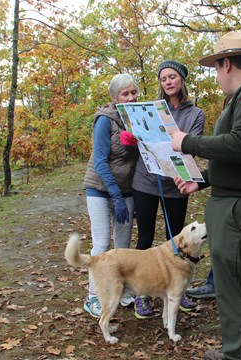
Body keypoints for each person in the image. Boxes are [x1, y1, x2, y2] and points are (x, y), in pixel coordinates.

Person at [171, 31, 241, 360]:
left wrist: (188, 142)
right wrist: (201, 180)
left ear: (226, 63)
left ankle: (237, 355)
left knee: (235, 288)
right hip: (235, 201)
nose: (218, 76)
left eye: (217, 68)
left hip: (240, 208)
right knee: (240, 285)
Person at [131, 60, 206, 319]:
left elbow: (191, 146)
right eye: (163, 79)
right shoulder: (152, 110)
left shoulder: (196, 114)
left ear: (182, 79)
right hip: (146, 180)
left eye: (172, 77)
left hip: (176, 183)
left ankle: (178, 289)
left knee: (176, 239)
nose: (168, 82)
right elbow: (142, 138)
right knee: (145, 238)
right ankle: (142, 294)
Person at [82, 73, 140, 318]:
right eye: (124, 94)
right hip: (100, 189)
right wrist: (116, 196)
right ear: (115, 97)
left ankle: (121, 290)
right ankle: (93, 296)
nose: (130, 97)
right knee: (102, 244)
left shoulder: (138, 117)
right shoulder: (105, 120)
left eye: (133, 92)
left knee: (123, 246)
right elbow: (101, 162)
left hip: (126, 190)